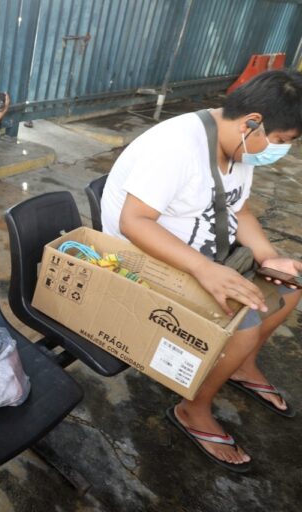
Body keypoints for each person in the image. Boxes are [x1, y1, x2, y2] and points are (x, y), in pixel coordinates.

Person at [101, 70, 302, 471]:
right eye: (280, 143)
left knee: (290, 288)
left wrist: (266, 255)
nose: (280, 153)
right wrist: (204, 271)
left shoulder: (238, 143)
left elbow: (237, 207)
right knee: (243, 323)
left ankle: (241, 366)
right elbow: (134, 222)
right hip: (143, 257)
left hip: (205, 253)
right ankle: (193, 410)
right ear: (253, 122)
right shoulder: (176, 146)